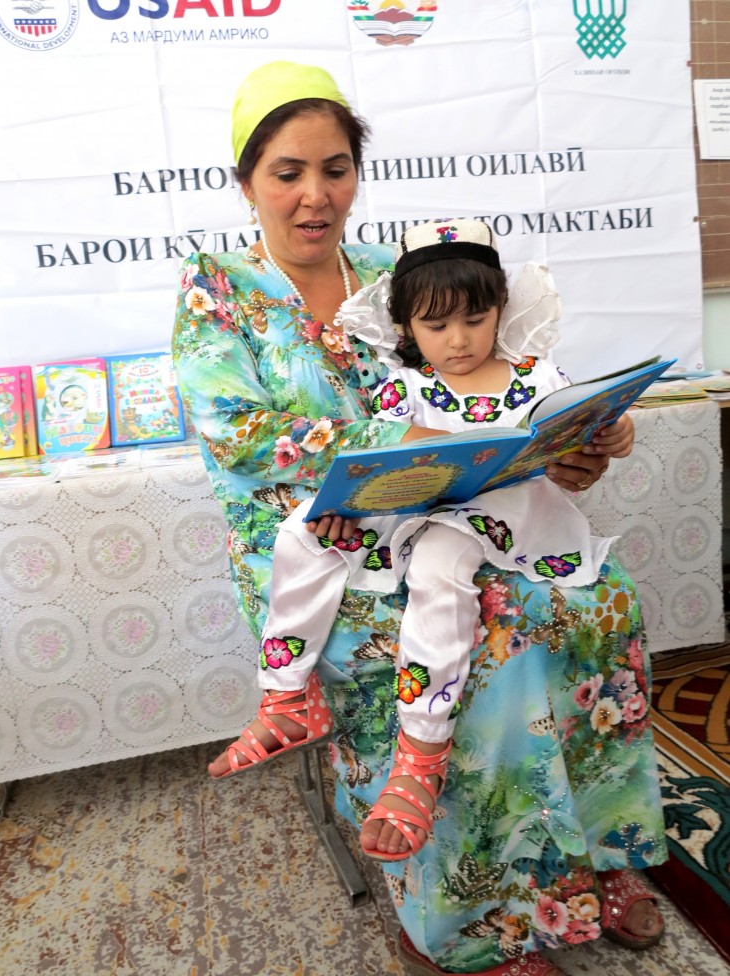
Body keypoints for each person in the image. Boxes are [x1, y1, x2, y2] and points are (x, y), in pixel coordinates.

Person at [172, 60, 667, 976]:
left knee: (600, 604)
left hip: (454, 513)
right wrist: (394, 435)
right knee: (495, 637)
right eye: (288, 172)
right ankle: (469, 917)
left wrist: (561, 449)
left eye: (335, 168)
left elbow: (492, 390)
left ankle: (599, 855)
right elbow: (237, 437)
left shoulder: (394, 278)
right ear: (247, 182)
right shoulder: (220, 293)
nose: (315, 195)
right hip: (321, 548)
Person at [208, 216, 633, 868]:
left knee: (439, 567)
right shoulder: (404, 388)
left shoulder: (533, 374)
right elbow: (379, 461)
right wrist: (343, 506)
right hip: (424, 509)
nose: (458, 341)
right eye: (436, 326)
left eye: (474, 318)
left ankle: (422, 753)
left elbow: (582, 422)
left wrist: (613, 432)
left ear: (500, 309)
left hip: (503, 516)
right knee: (304, 531)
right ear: (406, 328)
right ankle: (287, 694)